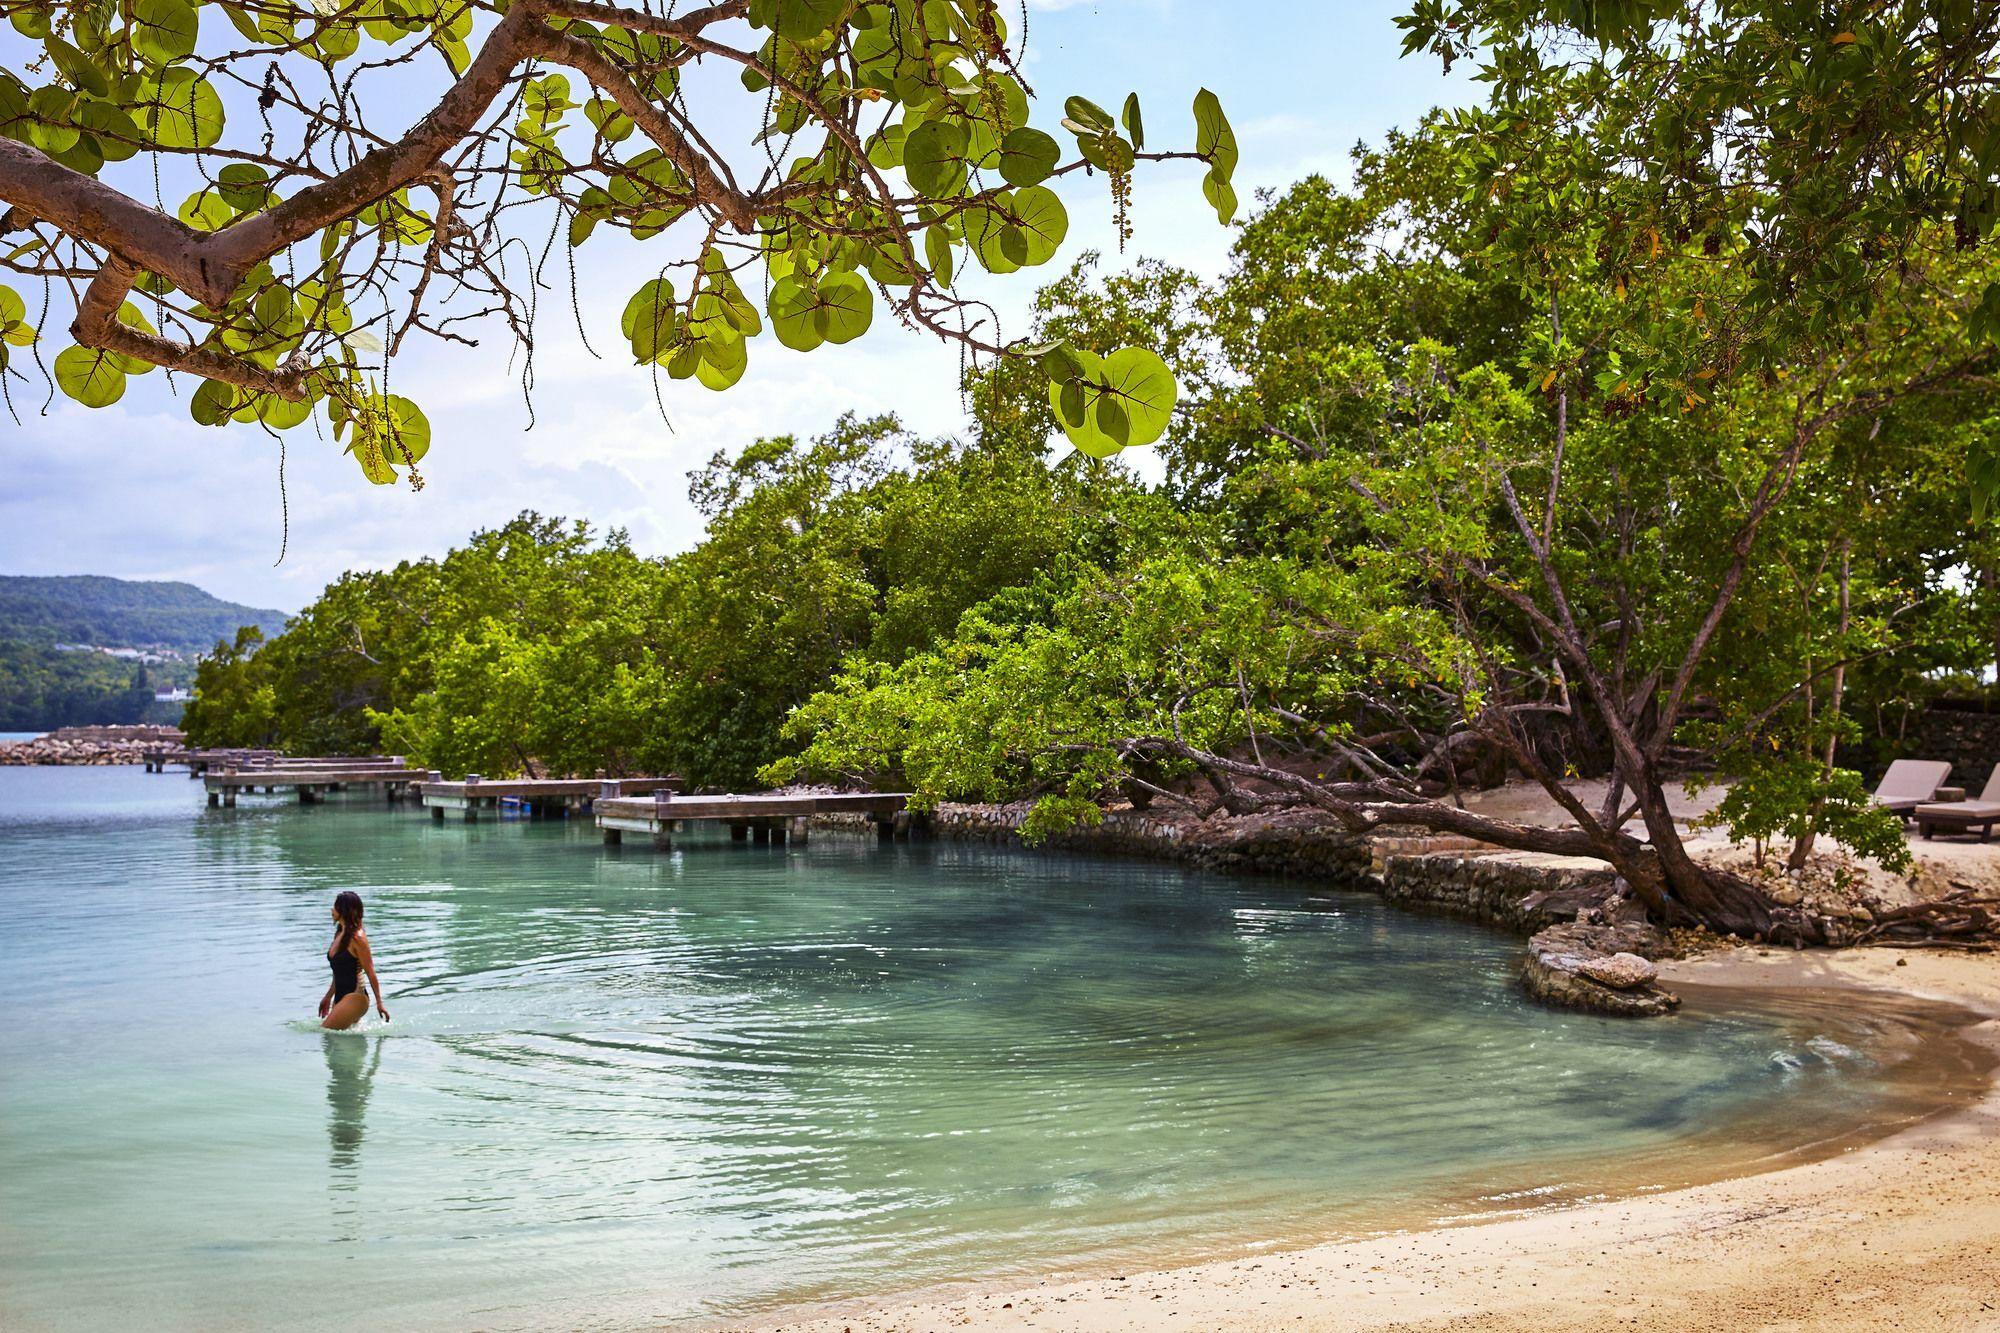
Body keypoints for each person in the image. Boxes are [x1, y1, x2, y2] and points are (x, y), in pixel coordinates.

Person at [319, 890, 390, 1030]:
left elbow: (370, 972)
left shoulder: (358, 938)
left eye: (335, 906)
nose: (331, 909)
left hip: (355, 997)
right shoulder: (340, 933)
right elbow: (338, 971)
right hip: (341, 996)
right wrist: (328, 997)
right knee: (336, 1048)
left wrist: (379, 1003)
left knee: (325, 1032)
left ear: (344, 910)